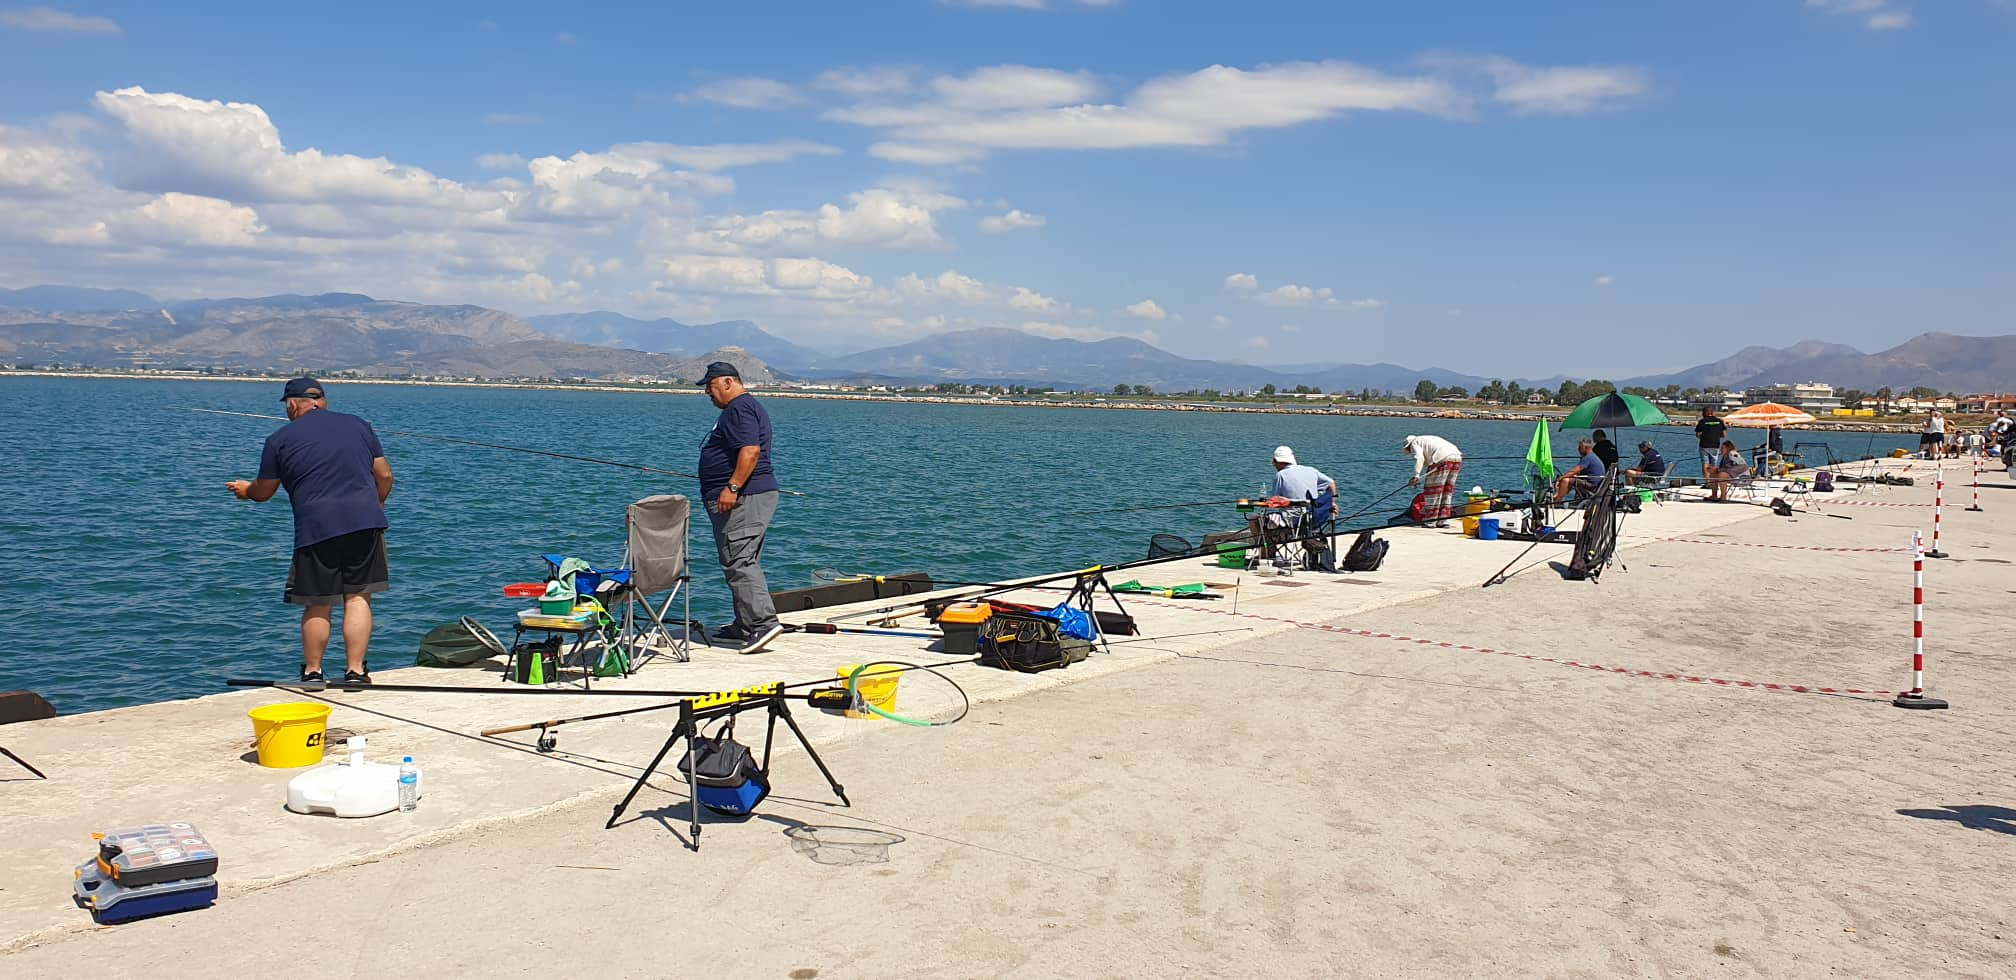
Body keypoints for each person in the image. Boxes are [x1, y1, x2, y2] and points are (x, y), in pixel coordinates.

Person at [226, 378, 393, 685]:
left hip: (316, 527)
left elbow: (264, 492)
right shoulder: (360, 425)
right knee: (358, 597)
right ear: (322, 401)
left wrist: (245, 490)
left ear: (292, 404)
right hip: (365, 522)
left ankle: (313, 672)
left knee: (319, 601)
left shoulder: (279, 439)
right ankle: (355, 672)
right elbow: (384, 475)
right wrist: (375, 505)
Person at [697, 361, 783, 654]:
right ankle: (744, 625)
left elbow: (750, 450)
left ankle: (762, 624)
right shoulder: (742, 408)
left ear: (728, 383)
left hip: (745, 497)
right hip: (749, 496)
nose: (708, 394)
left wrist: (732, 487)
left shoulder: (738, 409)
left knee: (739, 560)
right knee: (741, 558)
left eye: (710, 387)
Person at [1249, 446, 1337, 552]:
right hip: (1312, 521)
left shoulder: (1280, 475)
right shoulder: (1311, 470)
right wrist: (1332, 502)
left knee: (1254, 519)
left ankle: (1267, 552)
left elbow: (1274, 502)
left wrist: (1257, 503)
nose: (1274, 465)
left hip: (1290, 523)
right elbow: (1331, 483)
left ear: (1278, 461)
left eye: (1274, 463)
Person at [1402, 435, 1463, 528]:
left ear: (1408, 446)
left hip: (1441, 459)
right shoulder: (1426, 439)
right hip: (1457, 458)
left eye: (1409, 451)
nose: (1411, 452)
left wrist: (1416, 475)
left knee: (1433, 491)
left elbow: (1419, 458)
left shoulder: (1415, 442)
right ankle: (1443, 520)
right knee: (1447, 491)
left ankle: (1430, 521)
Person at [1695, 406, 1727, 489]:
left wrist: (1704, 436)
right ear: (1712, 413)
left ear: (1704, 413)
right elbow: (1724, 435)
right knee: (1713, 464)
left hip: (1704, 445)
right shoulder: (1719, 421)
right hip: (1715, 445)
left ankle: (1707, 483)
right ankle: (1714, 483)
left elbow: (1698, 435)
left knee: (1705, 464)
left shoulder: (1702, 421)